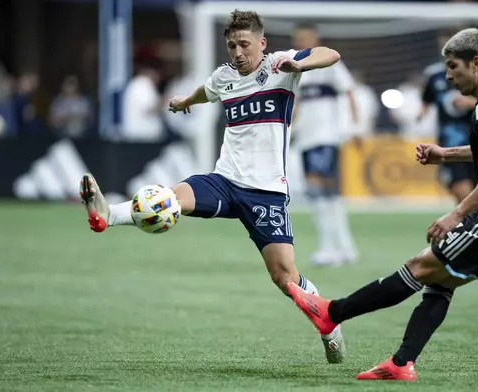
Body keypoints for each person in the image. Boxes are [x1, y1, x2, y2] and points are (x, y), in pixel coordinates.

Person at [79, 9, 347, 364]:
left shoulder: (279, 65)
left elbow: (330, 54)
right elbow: (206, 91)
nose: (238, 52)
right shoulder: (225, 77)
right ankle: (106, 215)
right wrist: (184, 102)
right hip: (224, 180)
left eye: (245, 45)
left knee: (285, 278)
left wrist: (301, 65)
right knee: (171, 197)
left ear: (261, 44)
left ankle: (329, 326)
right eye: (232, 45)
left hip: (265, 192)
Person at [288, 28, 478, 381]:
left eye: (453, 66)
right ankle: (401, 362)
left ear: (476, 63)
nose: (447, 75)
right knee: (442, 281)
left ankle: (332, 311)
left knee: (420, 265)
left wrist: (456, 213)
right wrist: (446, 155)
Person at [291, 23, 360, 266]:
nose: (301, 42)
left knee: (317, 188)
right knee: (328, 193)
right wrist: (291, 130)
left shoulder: (330, 64)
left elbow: (350, 92)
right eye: (298, 38)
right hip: (307, 138)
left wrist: (354, 127)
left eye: (305, 37)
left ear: (316, 38)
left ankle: (328, 248)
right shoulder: (298, 69)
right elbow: (297, 105)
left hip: (326, 135)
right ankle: (345, 247)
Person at [420, 29, 477, 203]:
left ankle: (476, 226)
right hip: (449, 145)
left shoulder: (476, 72)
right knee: (462, 193)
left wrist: (471, 103)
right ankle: (470, 225)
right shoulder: (433, 75)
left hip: (477, 143)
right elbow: (426, 102)